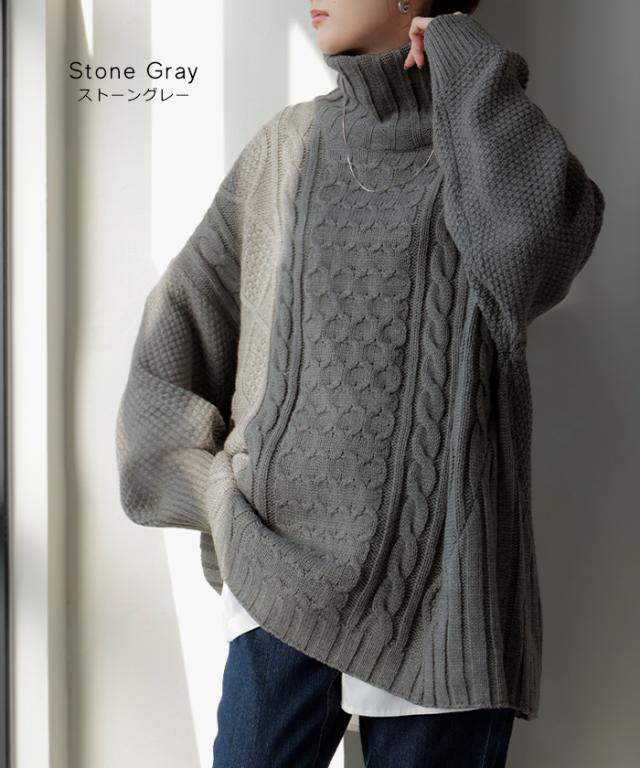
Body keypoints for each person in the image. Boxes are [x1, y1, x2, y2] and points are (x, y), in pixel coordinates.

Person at [115, 1, 606, 766]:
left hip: (445, 592)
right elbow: (173, 335)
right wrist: (217, 498)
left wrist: (466, 55)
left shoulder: (484, 147)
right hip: (280, 580)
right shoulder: (286, 148)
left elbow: (536, 245)